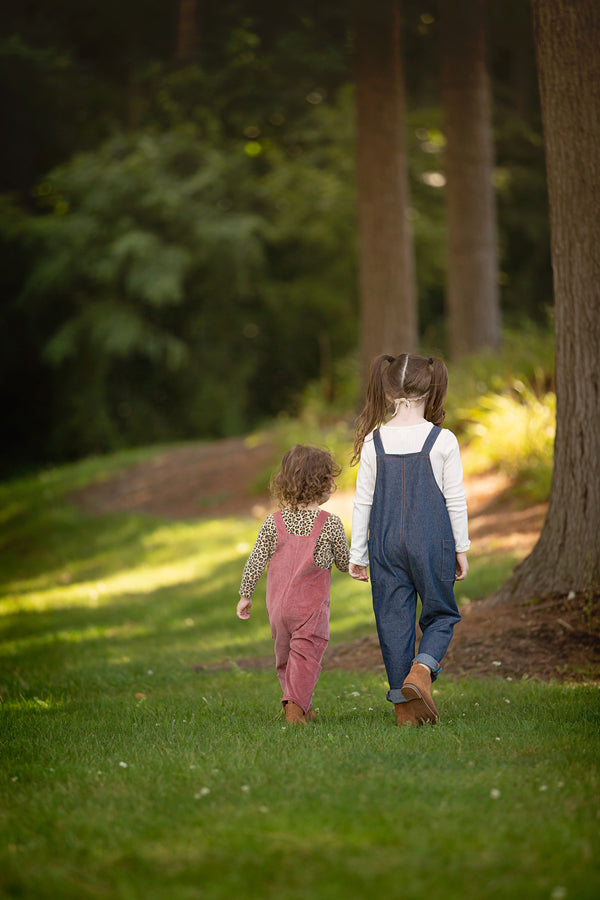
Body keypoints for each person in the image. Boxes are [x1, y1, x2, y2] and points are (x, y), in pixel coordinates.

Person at [349, 353, 469, 727]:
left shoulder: (374, 440)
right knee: (442, 613)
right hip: (431, 540)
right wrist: (461, 549)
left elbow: (363, 500)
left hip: (384, 542)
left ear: (386, 393)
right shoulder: (442, 439)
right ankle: (421, 673)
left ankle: (405, 712)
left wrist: (358, 553)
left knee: (393, 623)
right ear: (430, 388)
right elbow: (455, 499)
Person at [237, 444, 350, 725]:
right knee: (306, 659)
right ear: (322, 484)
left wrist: (245, 595)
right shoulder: (330, 524)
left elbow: (255, 561)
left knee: (286, 661)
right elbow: (344, 562)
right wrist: (361, 568)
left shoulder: (272, 523)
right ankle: (293, 711)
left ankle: (302, 708)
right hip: (310, 610)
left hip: (278, 609)